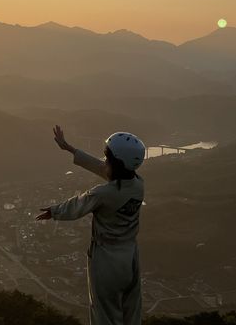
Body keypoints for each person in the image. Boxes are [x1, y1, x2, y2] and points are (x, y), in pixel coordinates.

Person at [36, 125, 146, 325]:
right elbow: (105, 170)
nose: (104, 161)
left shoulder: (103, 194)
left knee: (104, 314)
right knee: (132, 311)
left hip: (106, 260)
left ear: (116, 163)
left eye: (107, 157)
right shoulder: (138, 184)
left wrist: (54, 211)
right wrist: (70, 149)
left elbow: (77, 205)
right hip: (130, 257)